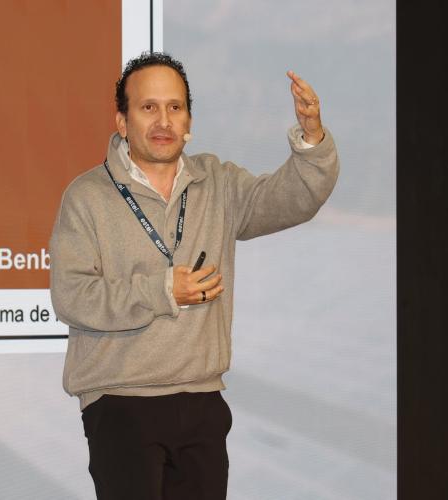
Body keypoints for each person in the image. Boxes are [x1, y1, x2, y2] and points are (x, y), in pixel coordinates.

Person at [49, 52, 339, 500]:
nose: (163, 120)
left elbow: (294, 199)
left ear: (189, 121)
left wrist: (312, 139)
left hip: (202, 401)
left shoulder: (218, 183)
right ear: (122, 121)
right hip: (121, 402)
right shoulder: (87, 196)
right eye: (148, 107)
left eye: (175, 107)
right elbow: (72, 296)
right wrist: (163, 290)